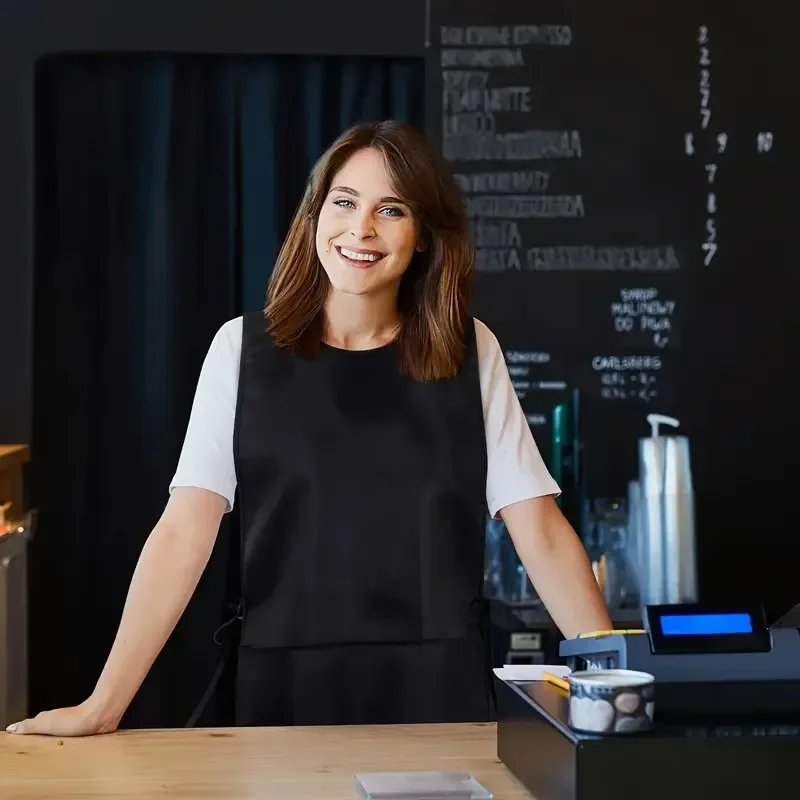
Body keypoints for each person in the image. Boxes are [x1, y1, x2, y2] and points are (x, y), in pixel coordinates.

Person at [6, 120, 611, 736]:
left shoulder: (471, 351)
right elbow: (184, 531)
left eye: (392, 209)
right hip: (280, 697)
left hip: (439, 694)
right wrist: (103, 707)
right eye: (344, 202)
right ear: (314, 212)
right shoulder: (239, 350)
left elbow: (538, 530)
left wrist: (611, 683)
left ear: (425, 234)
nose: (361, 229)